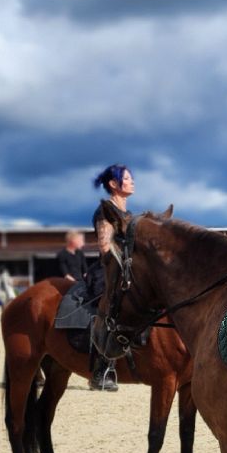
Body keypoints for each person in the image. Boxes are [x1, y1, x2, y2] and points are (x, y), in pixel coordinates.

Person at [88, 165, 135, 392]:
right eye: (127, 178)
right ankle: (101, 369)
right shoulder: (105, 211)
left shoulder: (129, 215)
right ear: (114, 184)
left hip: (126, 269)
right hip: (108, 270)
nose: (132, 181)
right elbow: (105, 248)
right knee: (114, 306)